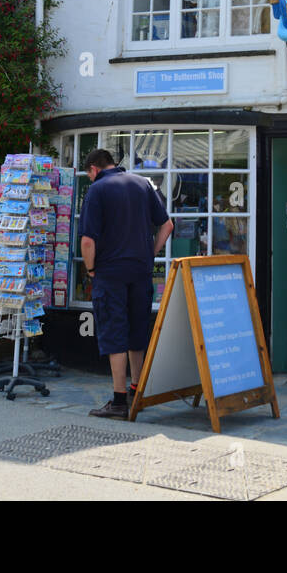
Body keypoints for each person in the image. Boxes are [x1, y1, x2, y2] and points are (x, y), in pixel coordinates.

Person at [79, 148, 174, 419]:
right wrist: (150, 254)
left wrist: (91, 269)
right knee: (137, 332)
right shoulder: (142, 184)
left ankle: (119, 401)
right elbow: (167, 226)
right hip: (140, 271)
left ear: (94, 170)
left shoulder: (97, 190)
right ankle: (137, 391)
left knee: (114, 334)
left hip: (110, 272)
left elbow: (87, 241)